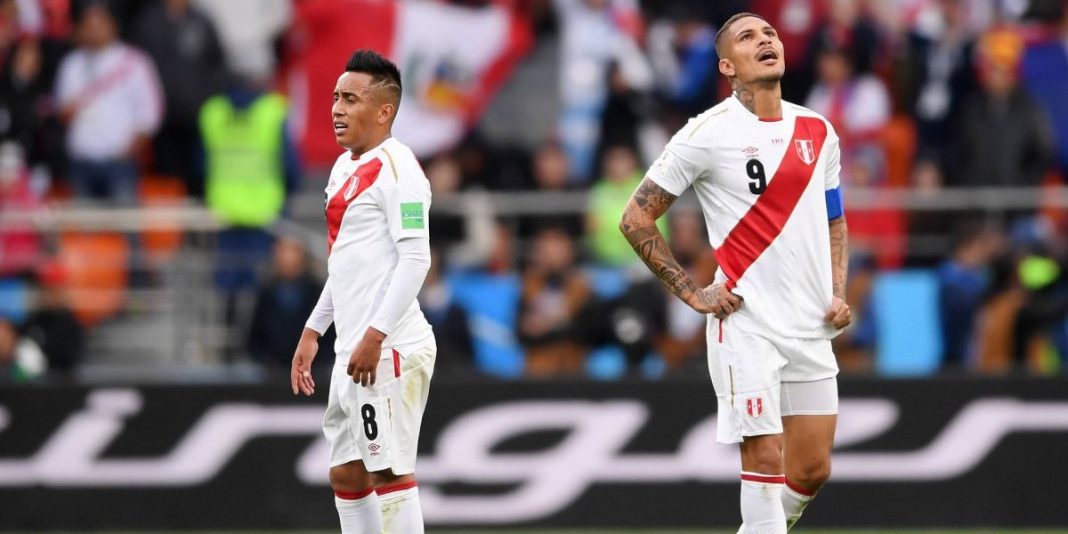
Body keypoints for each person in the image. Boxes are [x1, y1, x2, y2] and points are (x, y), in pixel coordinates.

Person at [619, 13, 851, 533]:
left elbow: (834, 220)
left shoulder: (818, 131)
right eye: (748, 37)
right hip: (747, 325)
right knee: (765, 461)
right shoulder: (706, 134)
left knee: (812, 470)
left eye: (770, 33)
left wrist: (838, 291)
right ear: (727, 66)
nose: (766, 40)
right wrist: (692, 292)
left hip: (810, 324)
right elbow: (635, 218)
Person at [290, 49, 435, 534]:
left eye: (350, 99)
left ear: (384, 111)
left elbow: (416, 260)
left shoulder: (399, 170)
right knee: (347, 474)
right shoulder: (342, 168)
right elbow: (346, 262)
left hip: (389, 346)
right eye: (335, 97)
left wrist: (376, 336)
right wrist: (314, 329)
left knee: (388, 471)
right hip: (354, 348)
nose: (336, 109)